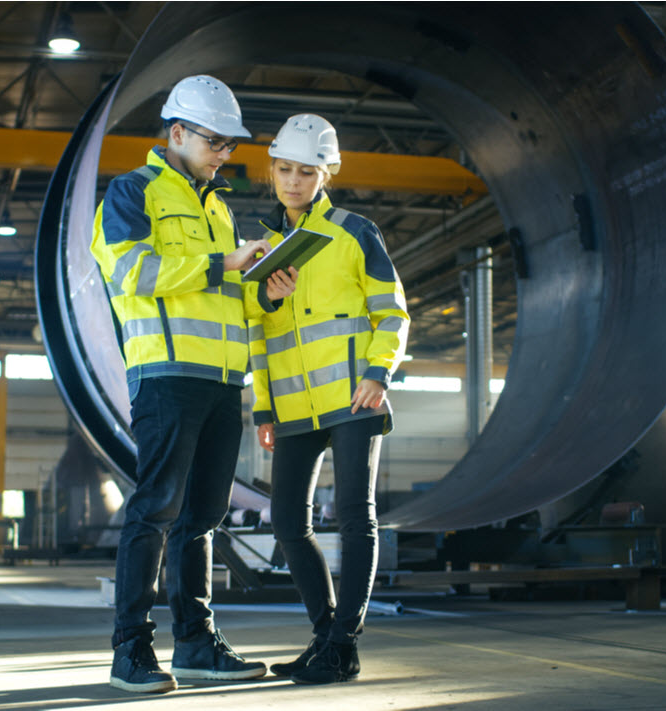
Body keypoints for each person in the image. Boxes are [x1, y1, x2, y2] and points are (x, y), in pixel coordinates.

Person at [91, 75, 296, 694]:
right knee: (155, 511)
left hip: (221, 382)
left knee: (203, 518)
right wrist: (226, 261)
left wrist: (264, 291)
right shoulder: (134, 192)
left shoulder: (219, 209)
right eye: (214, 140)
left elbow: (227, 301)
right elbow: (131, 271)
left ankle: (195, 644)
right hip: (167, 377)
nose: (224, 153)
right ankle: (130, 651)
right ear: (176, 132)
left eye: (230, 144)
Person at [248, 114, 410, 685]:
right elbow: (259, 335)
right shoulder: (262, 246)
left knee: (354, 518)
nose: (293, 181)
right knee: (289, 521)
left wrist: (378, 373)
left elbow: (392, 312)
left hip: (353, 397)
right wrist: (264, 408)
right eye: (285, 169)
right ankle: (324, 637)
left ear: (327, 172)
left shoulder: (354, 231)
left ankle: (343, 644)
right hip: (292, 407)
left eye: (306, 171)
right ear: (272, 169)